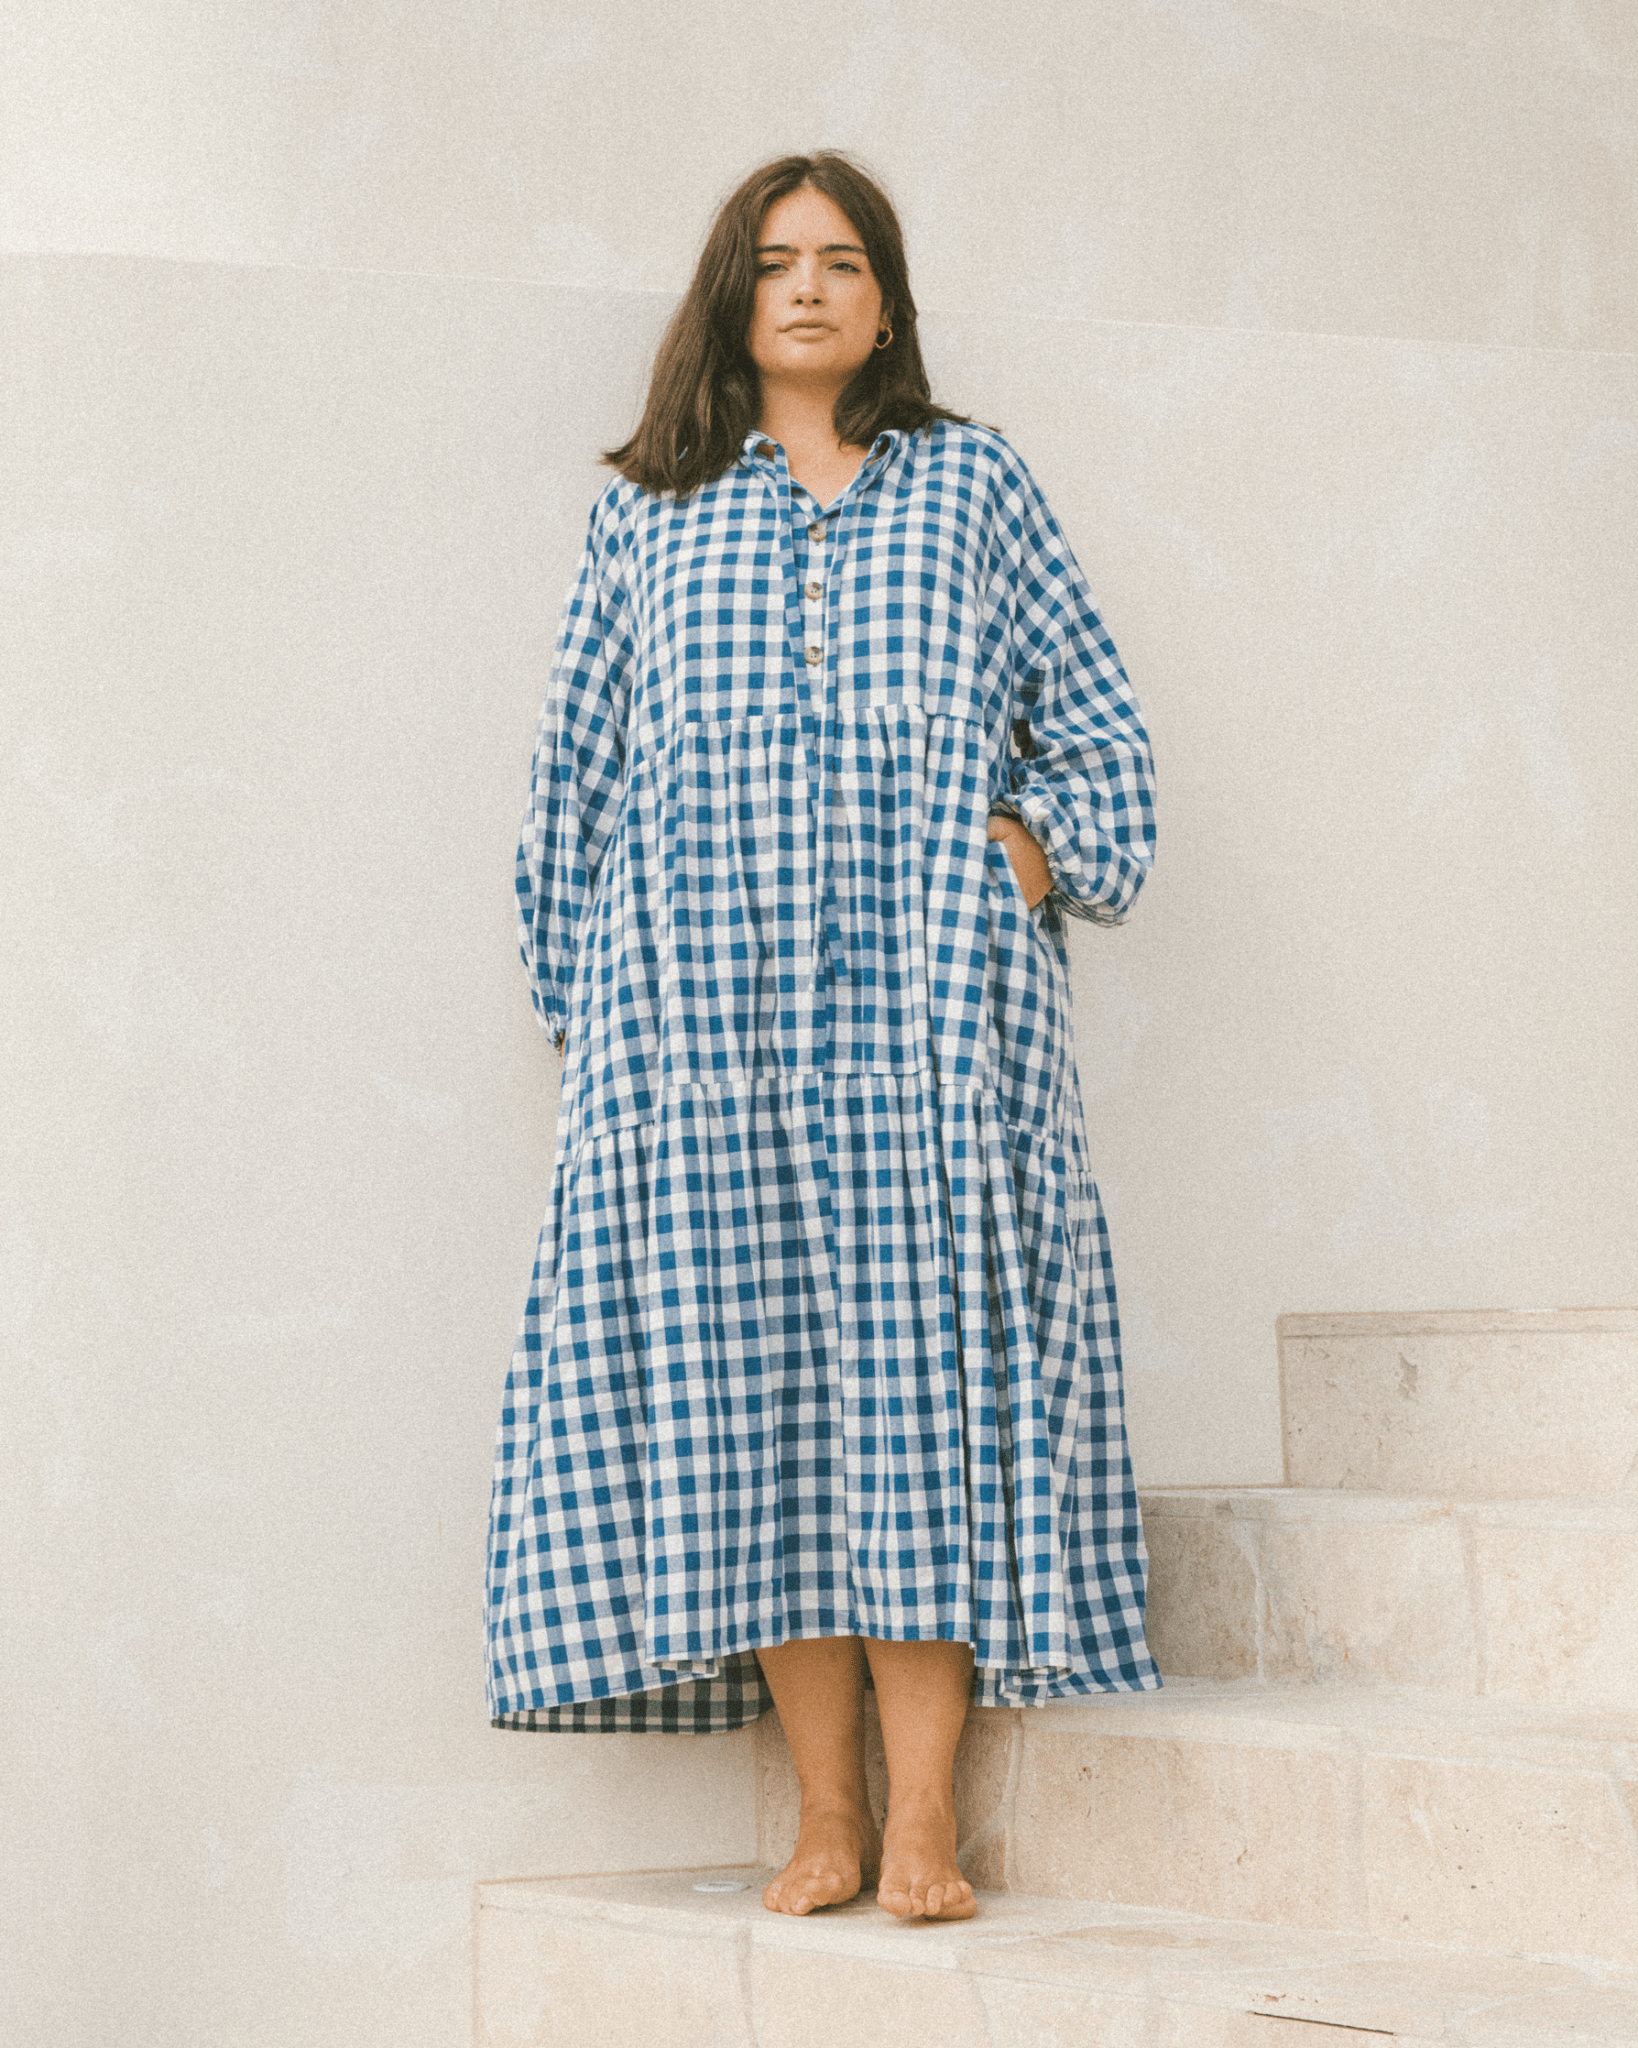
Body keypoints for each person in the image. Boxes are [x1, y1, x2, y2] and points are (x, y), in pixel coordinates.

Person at [485, 150, 1161, 1926]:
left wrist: (1027, 854)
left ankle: (926, 1818)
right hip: (702, 1039)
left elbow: (1098, 725)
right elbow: (576, 770)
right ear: (733, 293)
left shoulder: (974, 485)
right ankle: (828, 1816)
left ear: (885, 300)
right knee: (755, 1410)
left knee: (915, 1397)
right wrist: (593, 1014)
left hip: (928, 1024)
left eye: (843, 260)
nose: (808, 287)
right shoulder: (649, 508)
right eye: (778, 260)